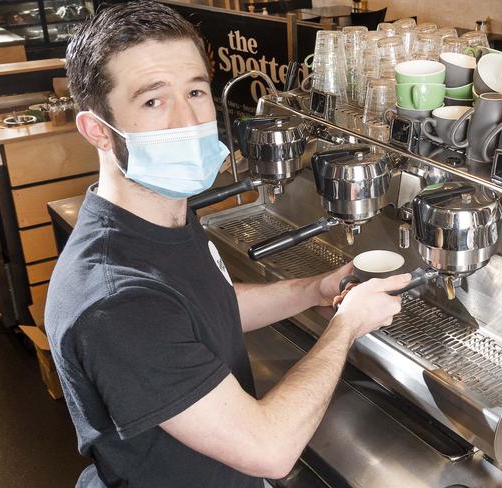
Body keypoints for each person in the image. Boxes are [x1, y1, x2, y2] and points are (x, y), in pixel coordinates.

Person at [45, 2, 409, 487]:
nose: (187, 119)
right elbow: (269, 449)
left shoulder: (160, 214)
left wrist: (313, 291)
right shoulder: (115, 301)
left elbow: (204, 306)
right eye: (153, 101)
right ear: (98, 130)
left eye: (195, 91)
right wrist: (345, 327)